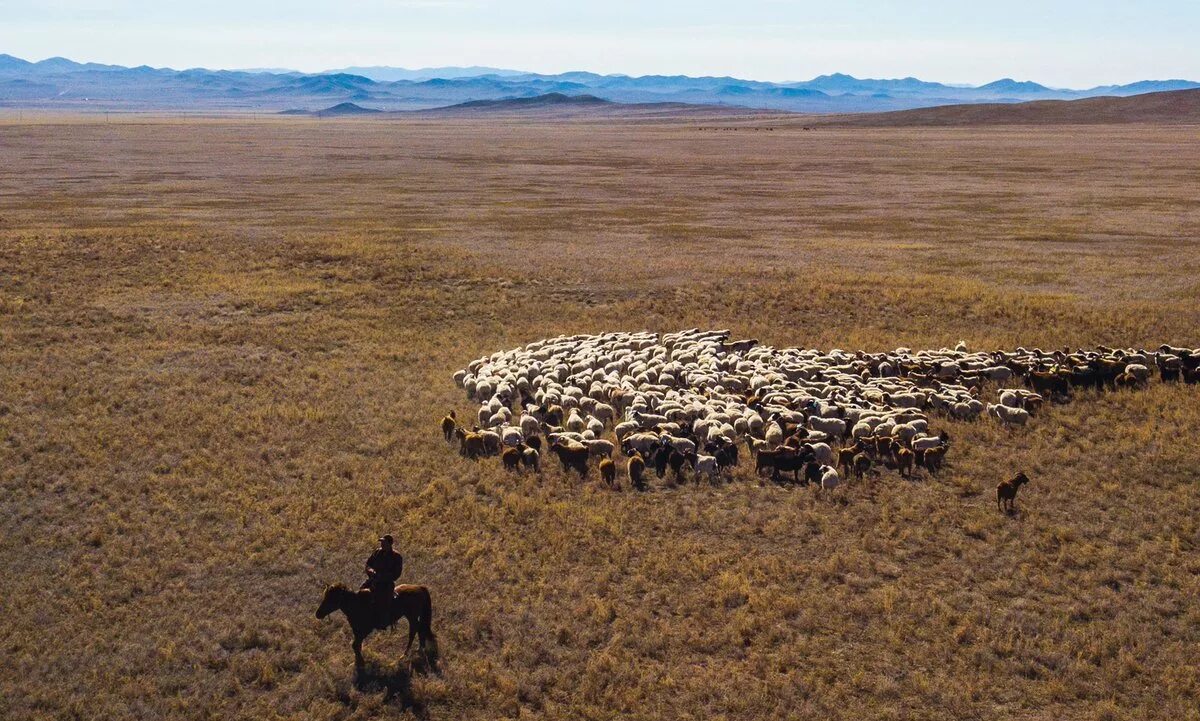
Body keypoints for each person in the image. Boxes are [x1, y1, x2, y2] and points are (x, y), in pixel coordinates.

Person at [362, 535, 404, 623]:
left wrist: (382, 576)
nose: (382, 544)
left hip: (386, 584)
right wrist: (371, 571)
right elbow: (368, 564)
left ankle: (386, 620)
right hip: (373, 580)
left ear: (390, 544)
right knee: (361, 592)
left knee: (385, 600)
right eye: (381, 542)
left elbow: (396, 574)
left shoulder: (396, 556)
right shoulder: (377, 552)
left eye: (384, 542)